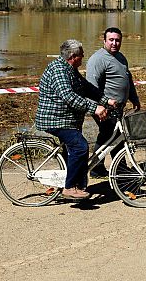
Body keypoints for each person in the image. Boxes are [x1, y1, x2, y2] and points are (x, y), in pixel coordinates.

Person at [35, 39, 116, 200]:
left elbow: (87, 88)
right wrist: (95, 108)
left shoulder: (70, 69)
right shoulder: (58, 70)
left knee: (72, 152)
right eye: (81, 54)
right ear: (72, 56)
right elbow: (69, 97)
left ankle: (76, 183)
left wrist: (106, 100)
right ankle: (70, 187)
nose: (83, 56)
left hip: (67, 119)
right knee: (80, 147)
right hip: (56, 119)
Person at [86, 27, 141, 178]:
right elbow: (90, 86)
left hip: (117, 108)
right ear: (104, 41)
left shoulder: (121, 57)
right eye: (111, 40)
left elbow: (127, 79)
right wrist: (98, 107)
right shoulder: (98, 59)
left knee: (112, 137)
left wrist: (134, 98)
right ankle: (109, 169)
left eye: (117, 40)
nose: (114, 43)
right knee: (112, 136)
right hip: (103, 108)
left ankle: (110, 168)